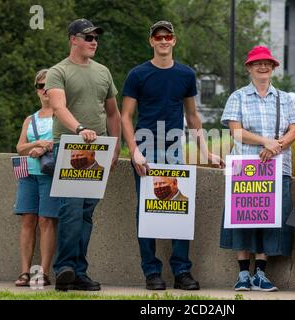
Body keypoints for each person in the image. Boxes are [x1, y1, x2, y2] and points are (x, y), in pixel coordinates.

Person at [121, 20, 224, 291]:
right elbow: (125, 116)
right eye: (159, 37)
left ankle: (181, 272)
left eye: (168, 37)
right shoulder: (138, 74)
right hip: (146, 148)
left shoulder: (186, 75)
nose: (164, 41)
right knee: (147, 210)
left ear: (174, 40)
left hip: (174, 149)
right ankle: (152, 273)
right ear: (151, 41)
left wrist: (206, 151)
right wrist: (134, 152)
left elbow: (192, 116)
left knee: (179, 207)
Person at [45, 18, 121, 291]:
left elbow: (113, 113)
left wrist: (115, 146)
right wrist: (80, 129)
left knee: (86, 212)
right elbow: (58, 107)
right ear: (73, 39)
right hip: (69, 146)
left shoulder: (103, 72)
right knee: (72, 209)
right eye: (87, 37)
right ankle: (65, 267)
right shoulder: (58, 71)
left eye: (95, 38)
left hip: (98, 150)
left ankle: (78, 273)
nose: (93, 42)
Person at [220, 45, 295, 292]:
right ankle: (243, 273)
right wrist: (264, 141)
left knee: (269, 220)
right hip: (245, 167)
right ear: (249, 68)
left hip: (276, 168)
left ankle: (261, 275)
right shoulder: (238, 96)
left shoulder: (284, 98)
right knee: (243, 218)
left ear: (273, 68)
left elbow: (294, 131)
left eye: (268, 63)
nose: (263, 67)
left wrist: (275, 146)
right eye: (258, 63)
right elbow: (236, 131)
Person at [14, 69, 58, 287]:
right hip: (28, 173)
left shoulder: (61, 116)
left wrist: (46, 147)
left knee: (47, 221)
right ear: (37, 91)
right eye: (41, 86)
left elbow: (65, 142)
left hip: (50, 173)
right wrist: (37, 144)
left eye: (49, 86)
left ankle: (43, 272)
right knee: (27, 221)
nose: (45, 91)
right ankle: (24, 272)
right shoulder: (30, 119)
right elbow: (20, 147)